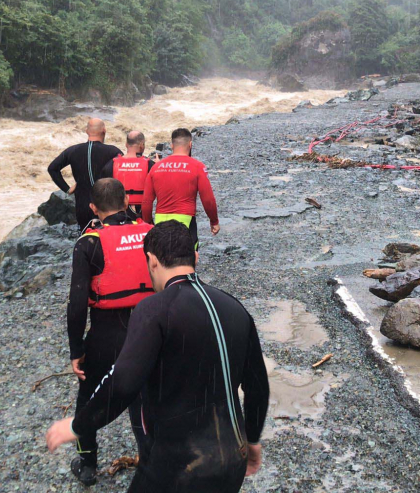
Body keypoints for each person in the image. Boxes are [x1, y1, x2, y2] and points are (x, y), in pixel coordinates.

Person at [47, 220, 270, 493]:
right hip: (232, 459)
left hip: (178, 466)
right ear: (195, 257)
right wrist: (254, 440)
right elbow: (258, 385)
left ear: (152, 261)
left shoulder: (154, 310)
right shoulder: (235, 307)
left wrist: (78, 425)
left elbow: (123, 382)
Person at [66, 178, 155, 486]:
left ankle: (88, 464)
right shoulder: (150, 233)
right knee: (145, 397)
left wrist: (76, 351)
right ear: (127, 202)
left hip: (107, 334)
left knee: (88, 398)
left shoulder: (89, 243)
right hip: (150, 329)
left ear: (93, 208)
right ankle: (153, 459)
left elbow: (77, 303)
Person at [142, 128, 219, 248]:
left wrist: (148, 223)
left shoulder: (156, 168)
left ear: (172, 145)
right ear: (190, 144)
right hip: (186, 221)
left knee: (163, 259)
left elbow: (146, 201)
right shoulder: (197, 166)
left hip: (161, 221)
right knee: (187, 259)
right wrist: (214, 221)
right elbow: (208, 199)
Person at [48, 118, 123, 229]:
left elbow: (52, 168)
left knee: (86, 239)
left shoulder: (73, 150)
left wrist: (67, 189)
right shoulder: (113, 151)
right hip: (107, 206)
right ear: (104, 130)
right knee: (109, 239)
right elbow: (123, 173)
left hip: (83, 206)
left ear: (87, 131)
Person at [102, 131, 155, 220]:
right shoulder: (150, 164)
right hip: (141, 212)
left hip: (118, 212)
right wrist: (157, 165)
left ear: (126, 144)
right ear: (142, 145)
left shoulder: (111, 164)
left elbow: (103, 190)